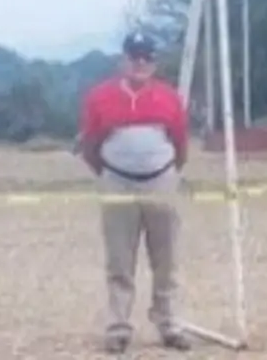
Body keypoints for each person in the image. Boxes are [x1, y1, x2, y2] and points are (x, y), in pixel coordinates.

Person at [80, 32, 192, 354]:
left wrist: (167, 175)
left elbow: (180, 143)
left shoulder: (170, 98)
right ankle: (118, 327)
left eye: (146, 57)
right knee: (119, 259)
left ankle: (169, 322)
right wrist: (110, 175)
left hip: (161, 182)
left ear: (154, 63)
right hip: (117, 183)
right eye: (134, 56)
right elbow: (90, 146)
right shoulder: (99, 97)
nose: (140, 63)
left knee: (166, 257)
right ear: (123, 60)